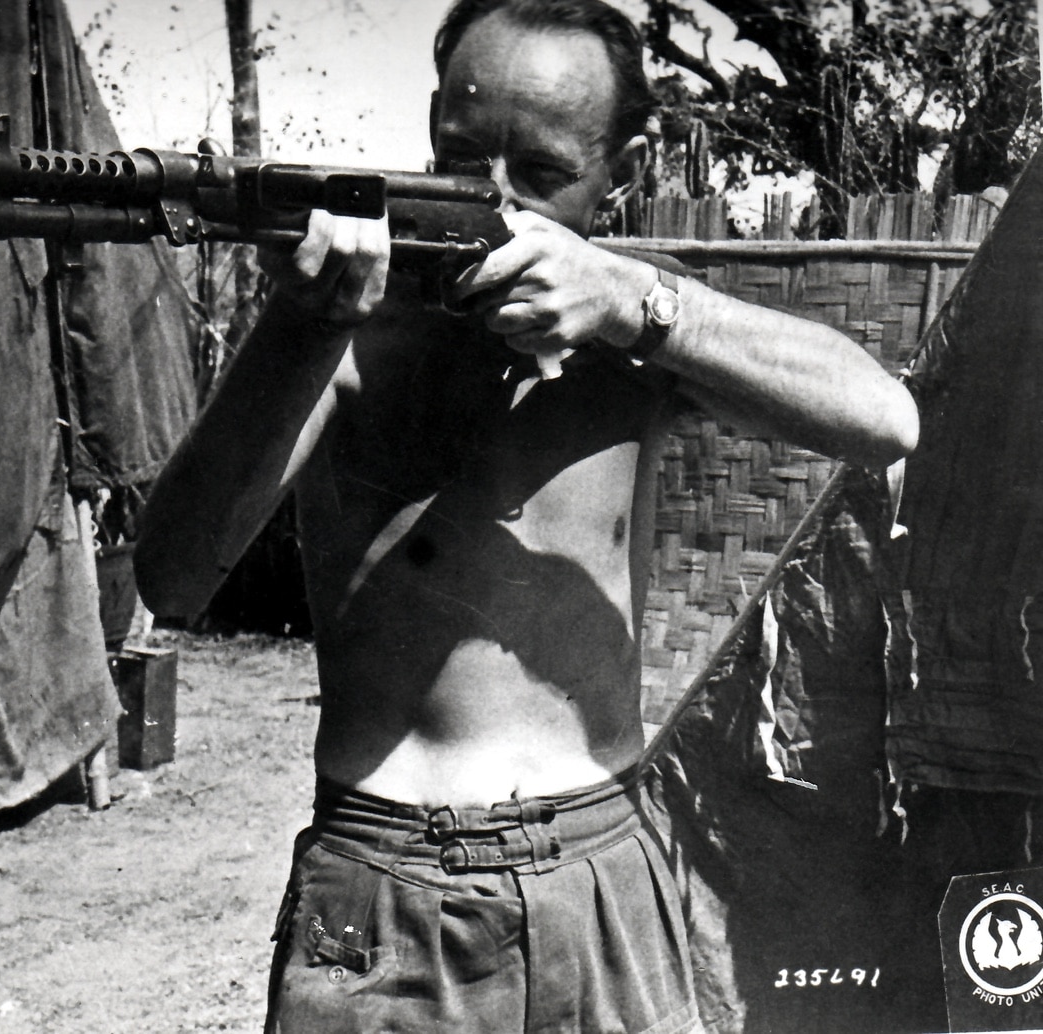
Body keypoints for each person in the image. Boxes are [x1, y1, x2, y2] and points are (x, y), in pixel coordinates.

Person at [134, 0, 919, 1031]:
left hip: (598, 868)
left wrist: (631, 301)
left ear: (622, 170)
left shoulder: (634, 322)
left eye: (541, 173)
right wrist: (298, 327)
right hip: (385, 880)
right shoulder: (346, 332)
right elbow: (172, 578)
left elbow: (882, 418)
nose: (491, 199)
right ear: (429, 121)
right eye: (462, 155)